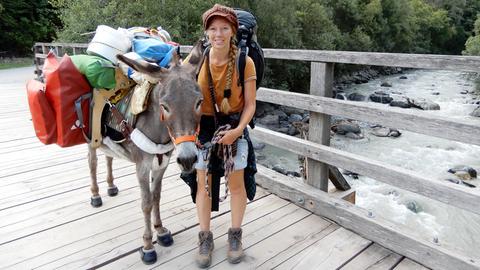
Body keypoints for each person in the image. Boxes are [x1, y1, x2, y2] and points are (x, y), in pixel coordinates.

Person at [192, 3, 257, 268]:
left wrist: (238, 131)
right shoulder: (197, 59)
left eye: (224, 28)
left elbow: (251, 104)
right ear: (206, 32)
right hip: (202, 128)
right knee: (202, 183)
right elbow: (179, 86)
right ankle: (205, 237)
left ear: (232, 31)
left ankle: (235, 236)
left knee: (236, 184)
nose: (218, 34)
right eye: (213, 29)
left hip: (233, 126)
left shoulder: (245, 62)